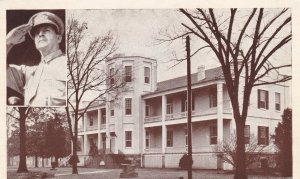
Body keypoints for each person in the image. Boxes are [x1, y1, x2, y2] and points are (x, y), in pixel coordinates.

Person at [7, 11, 66, 106]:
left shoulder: (69, 64)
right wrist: (8, 42)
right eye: (37, 33)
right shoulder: (27, 73)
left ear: (58, 38)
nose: (40, 34)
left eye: (46, 30)